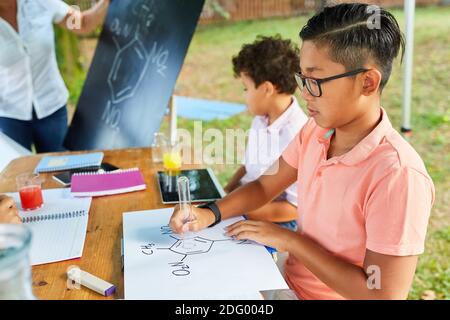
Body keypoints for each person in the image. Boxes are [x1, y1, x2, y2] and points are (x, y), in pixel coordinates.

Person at [170, 3, 435, 299]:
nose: (305, 93)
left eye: (315, 81)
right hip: (286, 283)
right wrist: (208, 213)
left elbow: (381, 293)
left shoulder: (397, 175)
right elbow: (263, 185)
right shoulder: (315, 132)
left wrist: (291, 241)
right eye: (302, 79)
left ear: (367, 82)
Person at [0, 0, 110, 152]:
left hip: (52, 108)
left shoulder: (41, 2)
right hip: (9, 116)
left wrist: (106, 2)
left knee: (59, 172)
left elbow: (82, 23)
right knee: (16, 174)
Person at [224, 35, 308, 231]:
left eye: (246, 88)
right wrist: (226, 192)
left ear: (267, 89)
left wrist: (236, 208)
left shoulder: (298, 135)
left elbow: (293, 209)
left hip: (276, 221)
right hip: (246, 202)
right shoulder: (261, 119)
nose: (244, 95)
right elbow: (248, 166)